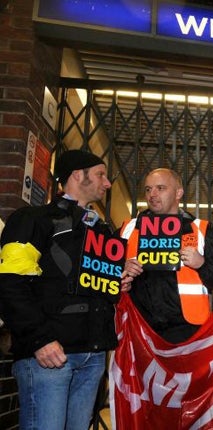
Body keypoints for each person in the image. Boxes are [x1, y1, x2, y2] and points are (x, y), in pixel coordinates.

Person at [0, 149, 123, 429]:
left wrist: (119, 280)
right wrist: (39, 340)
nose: (107, 184)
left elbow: (100, 290)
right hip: (48, 355)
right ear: (78, 175)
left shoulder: (101, 232)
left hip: (92, 357)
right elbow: (10, 283)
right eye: (101, 175)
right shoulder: (31, 219)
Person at [120, 168, 213, 343]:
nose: (152, 194)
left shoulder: (201, 229)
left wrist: (201, 264)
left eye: (160, 188)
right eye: (148, 189)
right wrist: (121, 269)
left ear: (179, 193)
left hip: (188, 330)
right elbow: (103, 274)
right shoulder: (128, 229)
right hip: (139, 328)